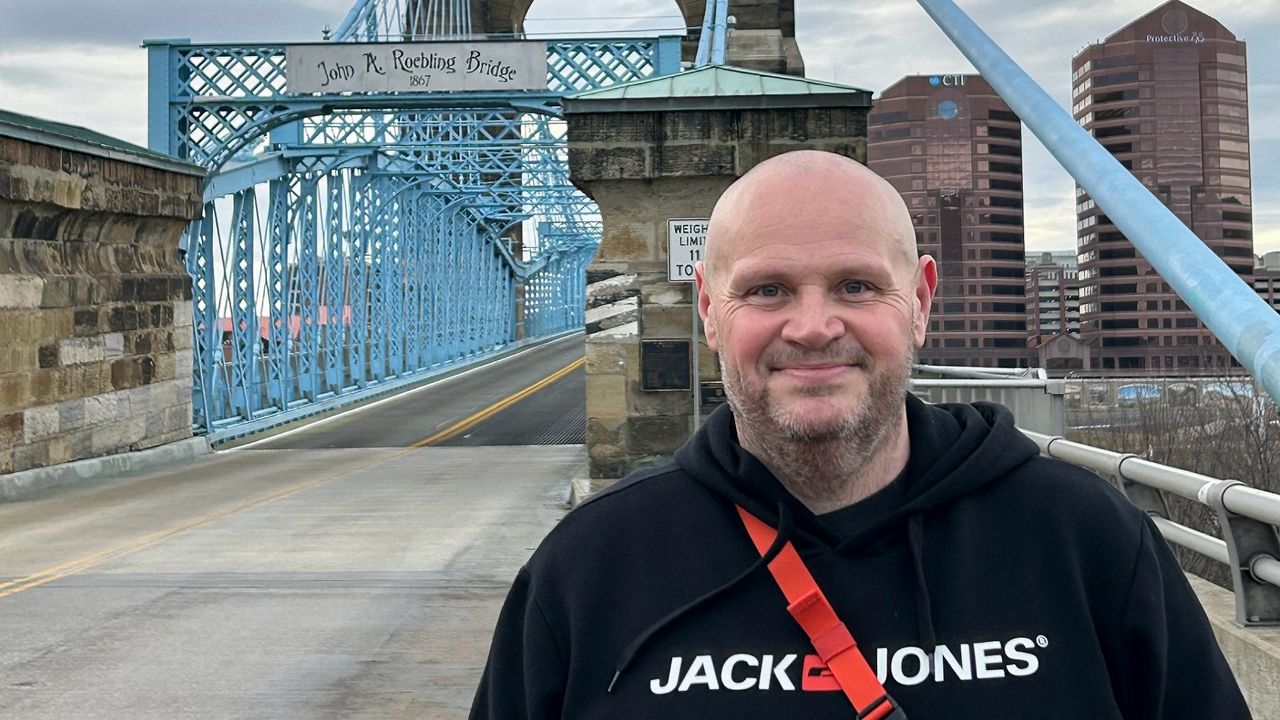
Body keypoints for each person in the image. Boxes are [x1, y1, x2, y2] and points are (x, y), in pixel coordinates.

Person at [470, 150, 1251, 719]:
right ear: (708, 308)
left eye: (855, 285)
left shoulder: (1087, 542)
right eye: (768, 290)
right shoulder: (589, 569)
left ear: (920, 300)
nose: (813, 328)